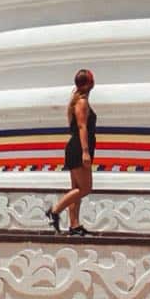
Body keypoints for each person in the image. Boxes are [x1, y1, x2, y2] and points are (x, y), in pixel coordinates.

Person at [45, 69, 97, 236]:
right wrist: (85, 151)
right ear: (89, 83)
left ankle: (74, 224)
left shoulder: (77, 101)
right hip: (79, 148)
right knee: (85, 188)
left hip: (76, 146)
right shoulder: (81, 102)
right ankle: (55, 210)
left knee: (76, 188)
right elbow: (82, 127)